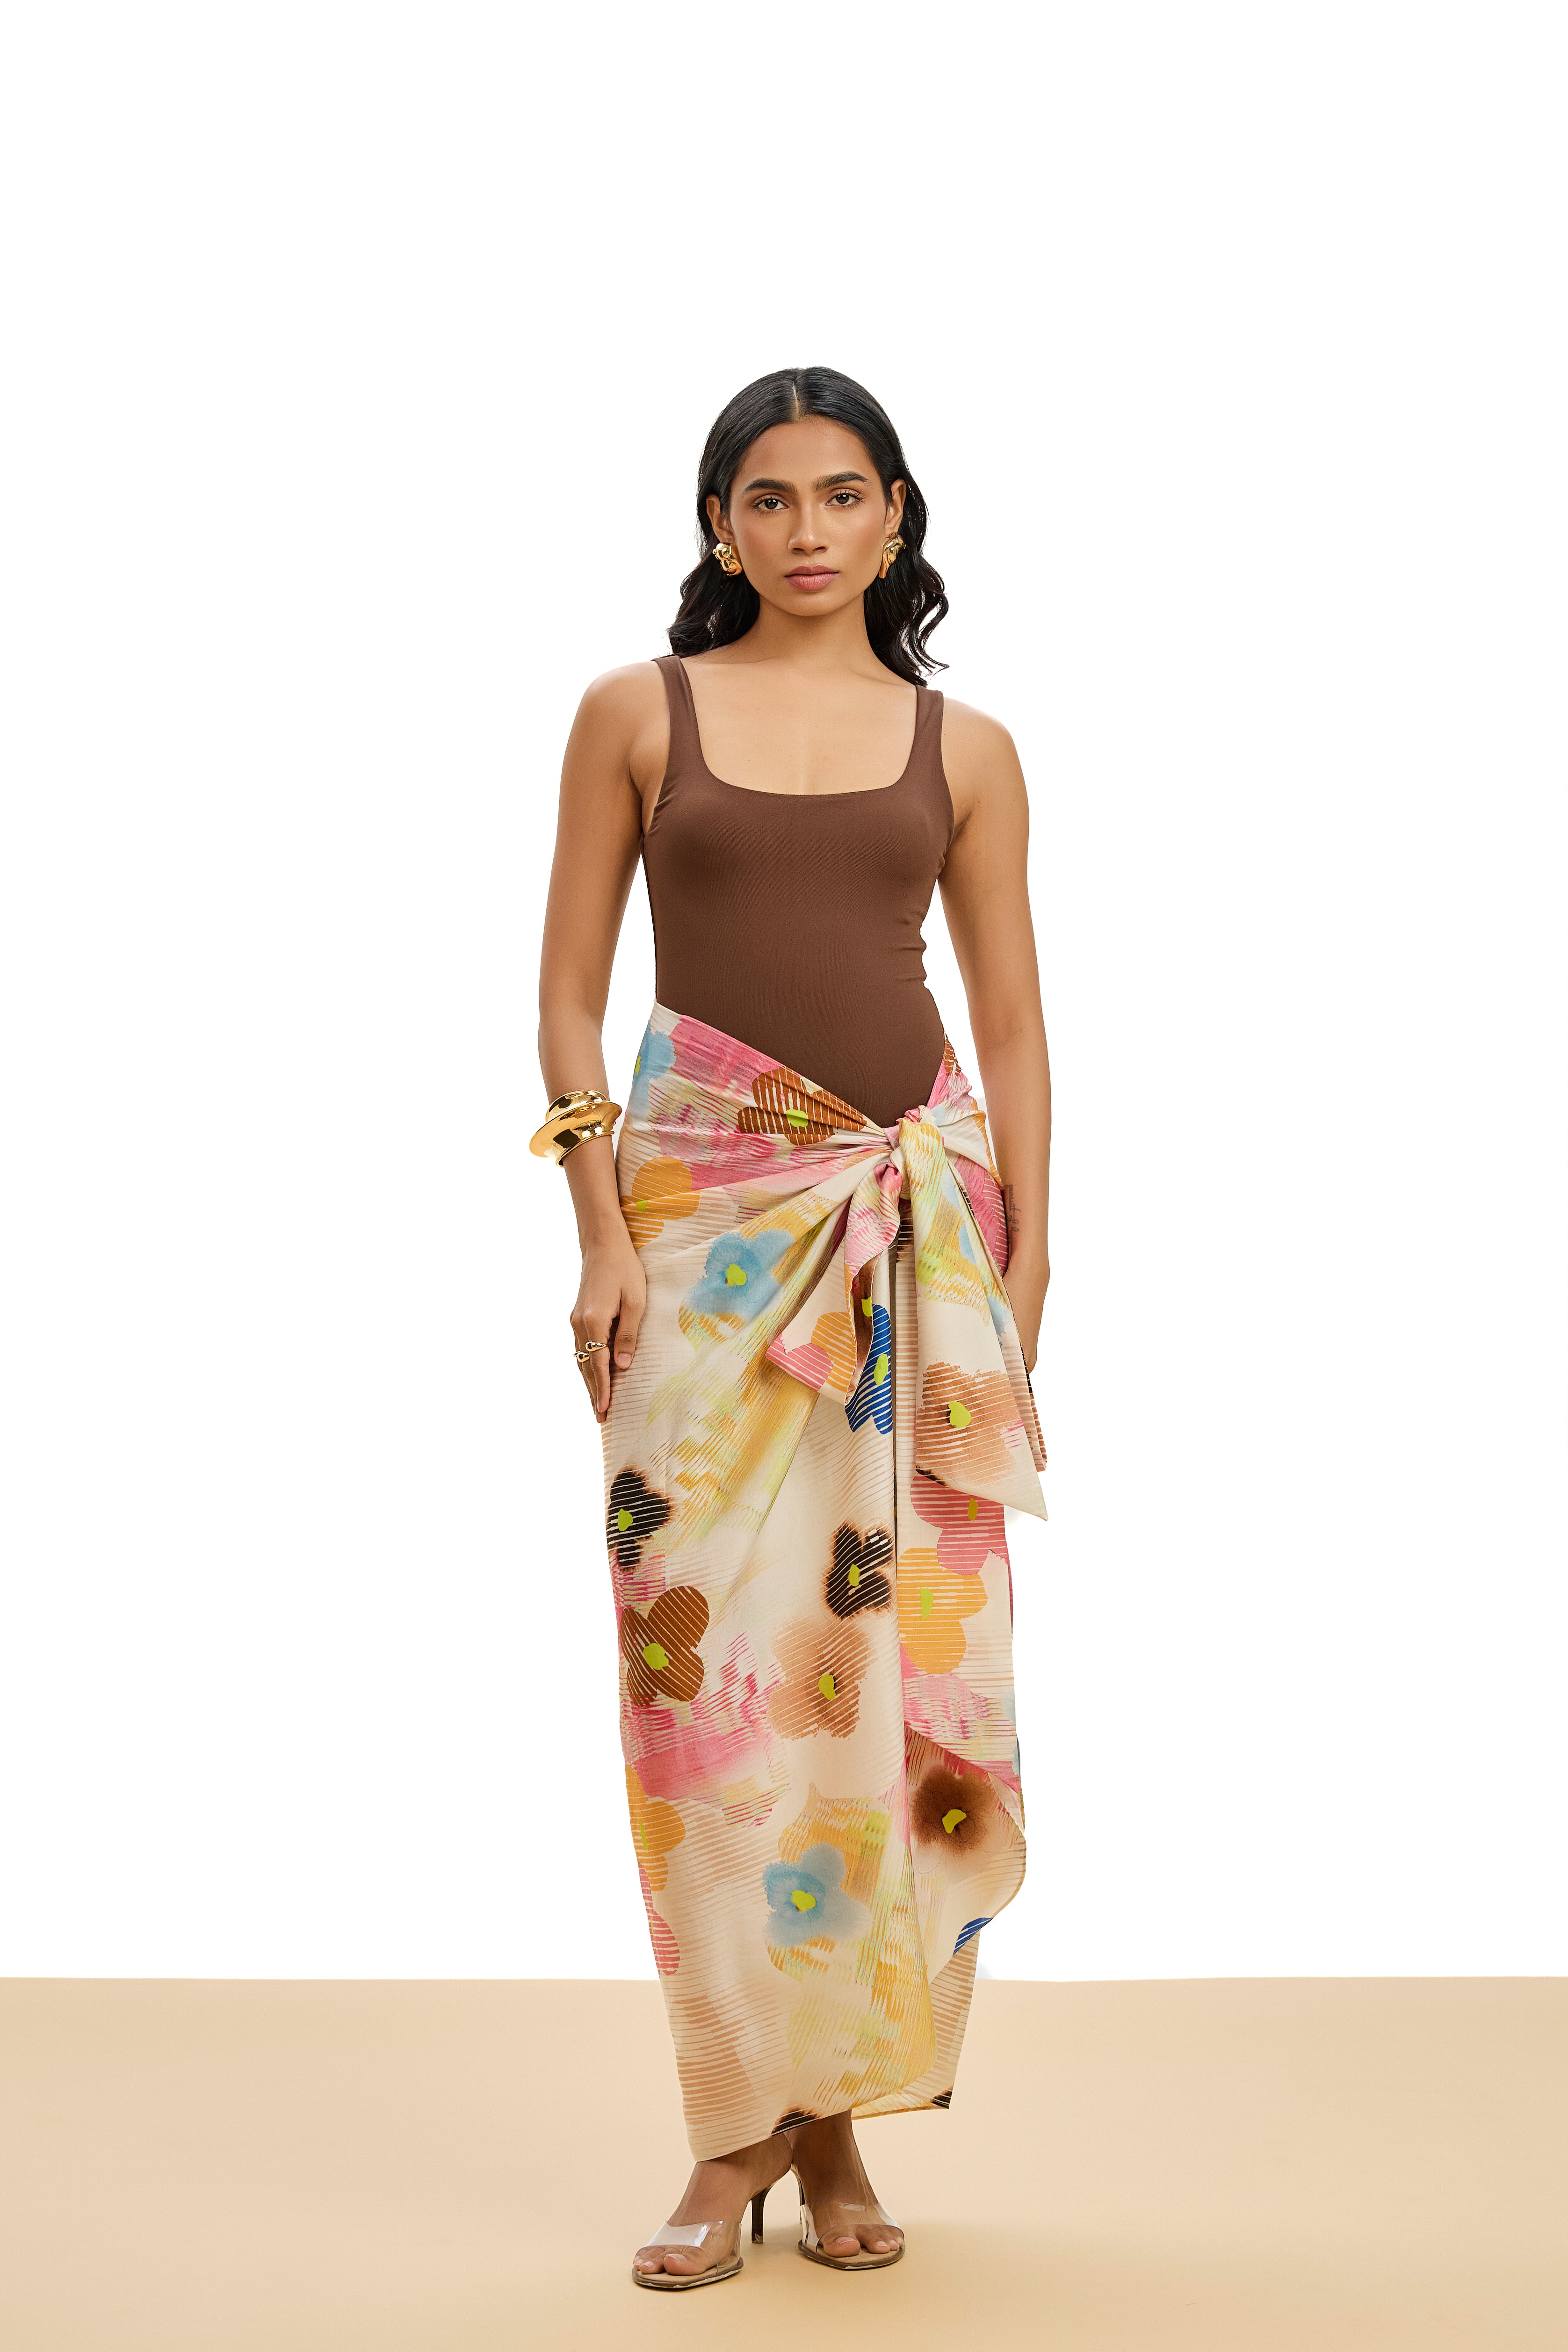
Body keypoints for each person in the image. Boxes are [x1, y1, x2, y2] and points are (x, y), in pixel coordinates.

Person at [535, 367, 1050, 2289]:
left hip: (911, 1238)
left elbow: (1013, 1024)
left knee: (869, 1682)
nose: (807, 529)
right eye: (768, 498)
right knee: (703, 1699)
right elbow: (565, 998)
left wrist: (1024, 1274)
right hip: (695, 1228)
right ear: (719, 524)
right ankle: (727, 2119)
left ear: (894, 515)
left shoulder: (966, 746)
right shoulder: (633, 713)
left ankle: (826, 2122)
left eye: (842, 494)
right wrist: (597, 1231)